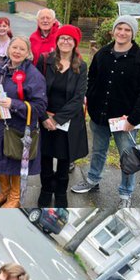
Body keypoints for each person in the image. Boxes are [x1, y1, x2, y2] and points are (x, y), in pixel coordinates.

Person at [72, 13, 140, 208]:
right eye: (120, 28)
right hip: (100, 117)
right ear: (114, 31)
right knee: (99, 151)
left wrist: (133, 119)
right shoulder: (102, 54)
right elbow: (92, 80)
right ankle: (93, 180)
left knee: (128, 157)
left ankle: (126, 194)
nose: (122, 32)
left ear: (133, 33)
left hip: (125, 122)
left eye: (127, 30)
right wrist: (92, 105)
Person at [0, 35, 48, 209]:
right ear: (8, 49)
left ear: (28, 53)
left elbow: (40, 106)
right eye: (14, 48)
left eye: (22, 49)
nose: (17, 52)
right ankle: (4, 191)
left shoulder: (33, 75)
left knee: (14, 161)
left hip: (17, 127)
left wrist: (14, 104)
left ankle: (15, 196)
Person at [38, 24, 89, 209]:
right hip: (44, 118)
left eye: (70, 39)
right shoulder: (45, 61)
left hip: (68, 121)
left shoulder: (81, 66)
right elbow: (36, 91)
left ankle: (60, 191)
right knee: (44, 157)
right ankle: (45, 189)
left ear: (75, 43)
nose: (65, 41)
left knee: (63, 160)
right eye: (62, 38)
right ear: (57, 40)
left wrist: (57, 119)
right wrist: (44, 117)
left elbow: (78, 98)